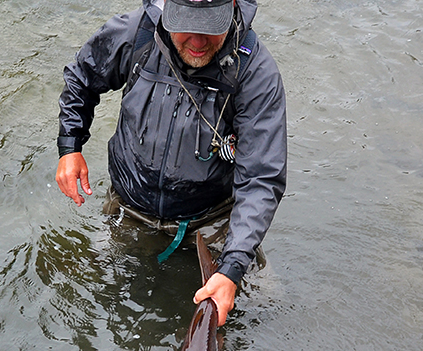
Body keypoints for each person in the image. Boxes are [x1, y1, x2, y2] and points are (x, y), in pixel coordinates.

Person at [55, 0, 287, 326]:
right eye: (186, 26)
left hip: (212, 220)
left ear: (233, 6)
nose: (196, 41)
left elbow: (261, 179)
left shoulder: (256, 73)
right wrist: (70, 146)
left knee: (266, 308)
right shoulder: (137, 33)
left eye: (209, 29)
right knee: (89, 294)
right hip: (131, 208)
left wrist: (232, 267)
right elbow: (83, 74)